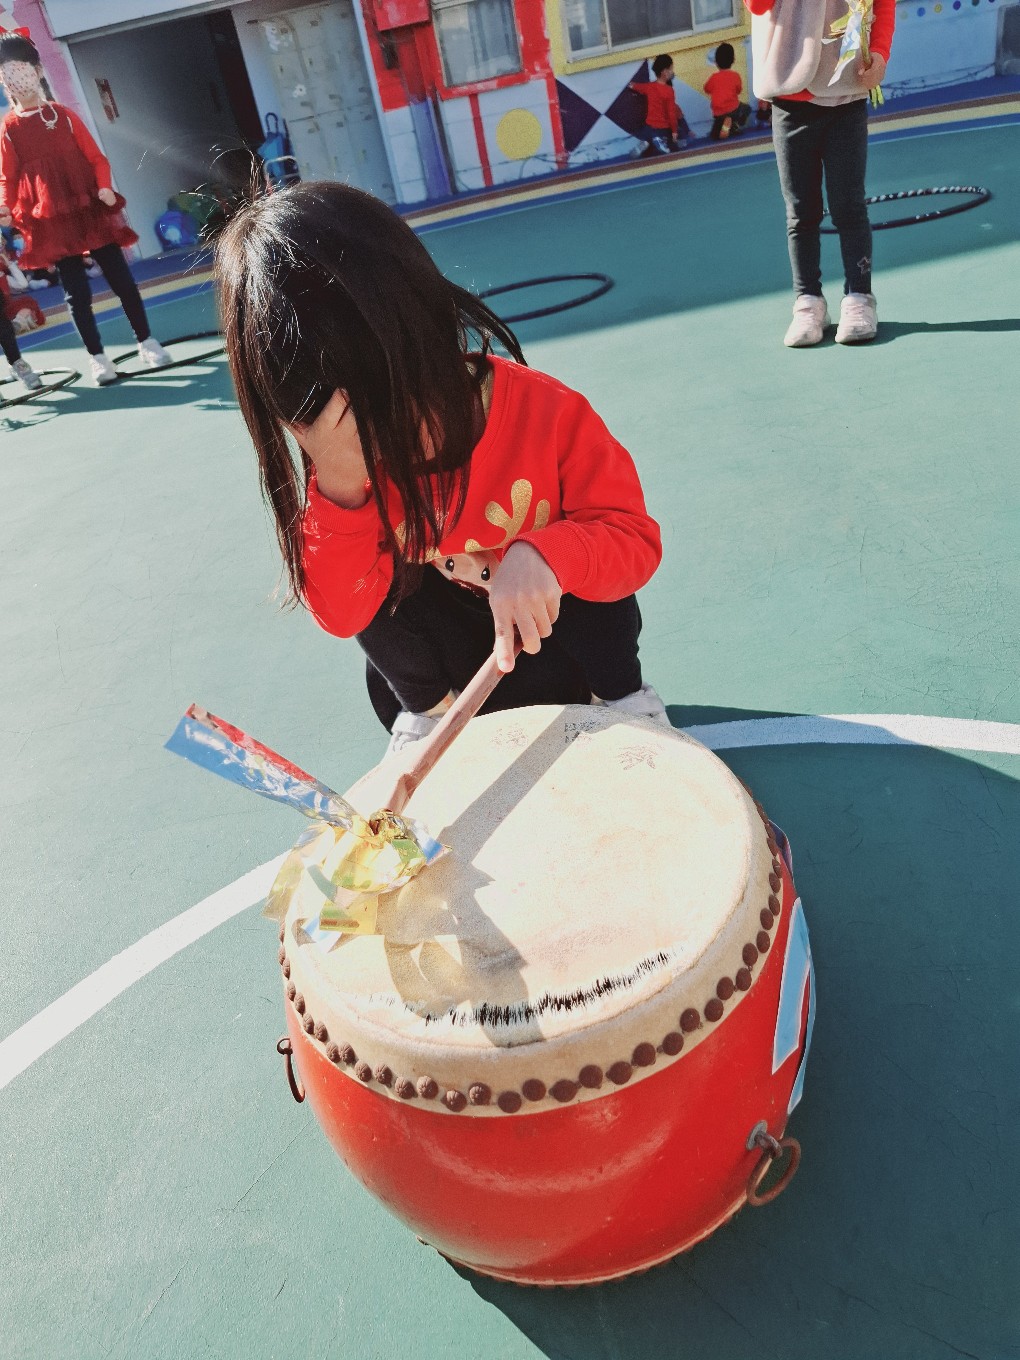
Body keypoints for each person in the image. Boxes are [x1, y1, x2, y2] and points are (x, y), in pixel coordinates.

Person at [216, 182, 668, 754]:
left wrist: (547, 556)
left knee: (588, 557)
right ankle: (429, 718)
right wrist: (341, 488)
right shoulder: (342, 461)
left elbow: (632, 539)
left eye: (396, 404)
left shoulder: (546, 412)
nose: (390, 444)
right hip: (460, 684)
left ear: (424, 330)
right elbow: (343, 613)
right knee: (367, 581)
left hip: (552, 644)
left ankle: (622, 698)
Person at [0, 33, 171, 385]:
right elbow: (8, 177)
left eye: (21, 71)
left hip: (88, 207)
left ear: (37, 71)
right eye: (8, 74)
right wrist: (6, 207)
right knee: (76, 293)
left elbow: (96, 158)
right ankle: (97, 358)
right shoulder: (10, 129)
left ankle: (146, 341)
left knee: (122, 280)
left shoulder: (63, 116)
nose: (18, 80)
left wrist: (104, 186)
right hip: (53, 218)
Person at [747, 0, 895, 345]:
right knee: (801, 210)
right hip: (790, 95)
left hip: (846, 91)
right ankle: (808, 301)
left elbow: (883, 6)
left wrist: (879, 55)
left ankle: (859, 296)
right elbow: (756, 6)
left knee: (849, 205)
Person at [629, 56, 689, 156]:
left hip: (649, 128)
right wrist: (674, 132)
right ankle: (660, 141)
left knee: (650, 144)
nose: (672, 71)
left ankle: (648, 142)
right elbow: (671, 114)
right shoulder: (669, 91)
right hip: (663, 129)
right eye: (671, 69)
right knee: (678, 144)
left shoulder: (649, 87)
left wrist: (631, 85)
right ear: (664, 72)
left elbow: (636, 86)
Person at [704, 43, 751, 141]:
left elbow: (706, 89)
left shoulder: (714, 77)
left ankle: (724, 128)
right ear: (733, 60)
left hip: (718, 113)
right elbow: (738, 90)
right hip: (733, 109)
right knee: (747, 108)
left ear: (716, 62)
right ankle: (735, 125)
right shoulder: (735, 76)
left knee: (715, 135)